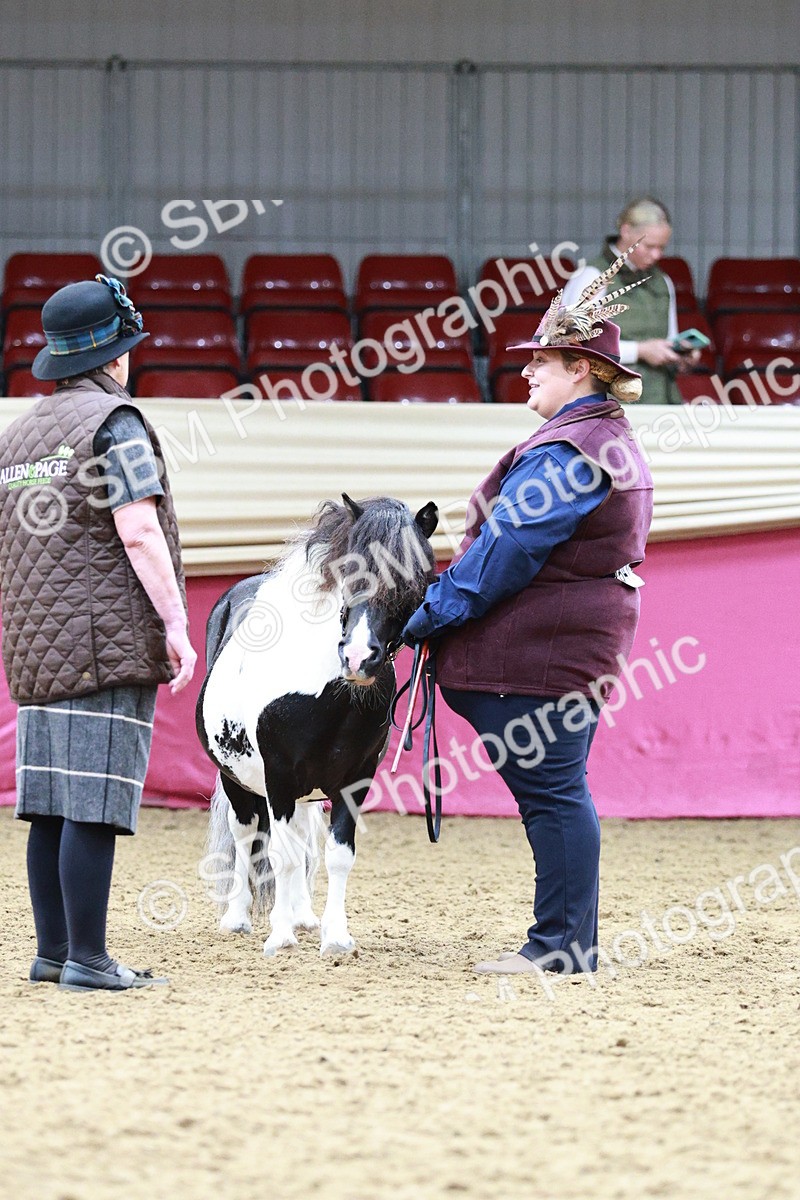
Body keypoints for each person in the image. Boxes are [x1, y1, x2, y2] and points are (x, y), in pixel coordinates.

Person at [402, 249, 654, 977]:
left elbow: (506, 550)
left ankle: (562, 945)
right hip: (567, 645)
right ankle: (564, 941)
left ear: (581, 367)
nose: (527, 372)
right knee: (555, 792)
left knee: (552, 793)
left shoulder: (570, 449)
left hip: (538, 653)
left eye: (541, 361)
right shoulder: (601, 439)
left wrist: (429, 613)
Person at [0, 274, 197, 992]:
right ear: (114, 357)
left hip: (33, 648)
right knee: (95, 800)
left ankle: (54, 952)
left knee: (49, 804)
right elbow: (140, 530)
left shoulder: (18, 436)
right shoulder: (116, 423)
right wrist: (176, 623)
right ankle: (89, 958)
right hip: (102, 642)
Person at [562, 196, 700, 404]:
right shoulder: (592, 276)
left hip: (657, 397)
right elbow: (573, 344)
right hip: (607, 400)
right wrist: (641, 351)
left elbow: (668, 338)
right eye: (649, 246)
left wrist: (678, 355)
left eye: (662, 248)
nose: (656, 255)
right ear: (626, 232)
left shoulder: (662, 281)